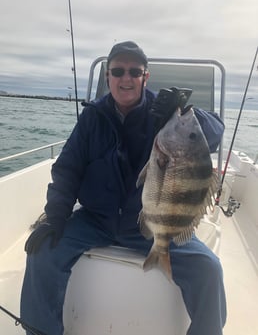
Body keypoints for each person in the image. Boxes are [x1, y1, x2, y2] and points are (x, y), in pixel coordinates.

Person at [20, 41, 226, 335]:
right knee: (41, 254)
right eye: (117, 71)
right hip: (95, 219)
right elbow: (67, 170)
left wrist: (188, 110)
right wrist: (54, 217)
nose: (125, 78)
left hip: (151, 221)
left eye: (134, 71)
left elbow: (214, 132)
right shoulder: (92, 118)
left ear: (145, 77)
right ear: (108, 78)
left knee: (208, 269)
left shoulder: (165, 114)